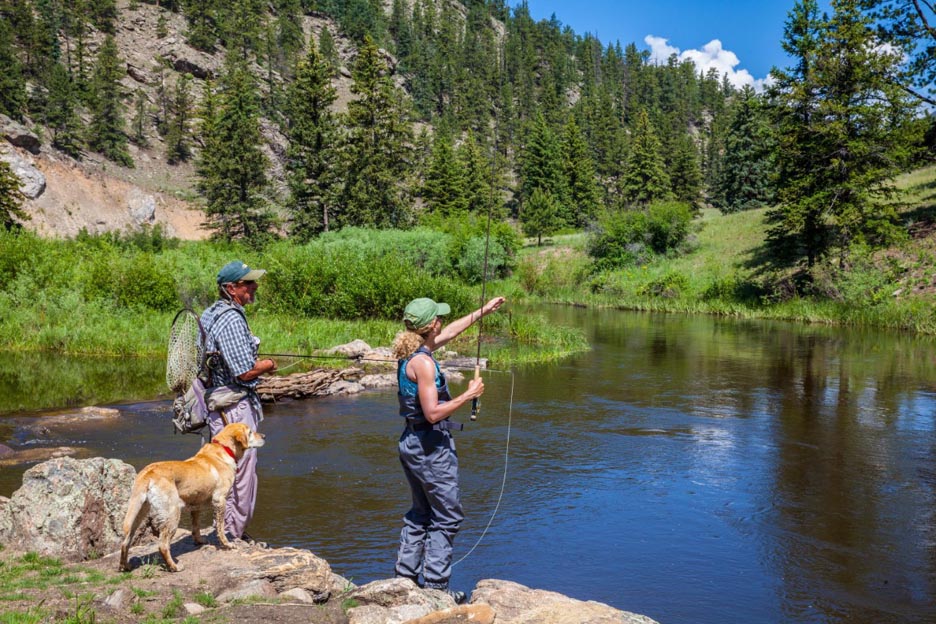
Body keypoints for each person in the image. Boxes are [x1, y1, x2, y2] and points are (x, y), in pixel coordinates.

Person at [392, 295, 506, 603]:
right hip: (430, 446)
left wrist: (483, 311)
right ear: (430, 326)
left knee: (421, 512)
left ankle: (404, 579)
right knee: (447, 518)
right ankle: (436, 589)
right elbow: (432, 413)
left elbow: (453, 330)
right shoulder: (424, 364)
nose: (443, 322)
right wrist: (467, 395)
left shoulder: (410, 352)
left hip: (411, 442)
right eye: (438, 319)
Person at [200, 260, 277, 542]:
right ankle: (232, 533)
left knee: (222, 470)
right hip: (232, 409)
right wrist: (267, 364)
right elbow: (244, 372)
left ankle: (225, 530)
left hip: (218, 407)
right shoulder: (231, 319)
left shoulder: (210, 314)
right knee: (239, 474)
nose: (254, 287)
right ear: (231, 288)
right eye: (248, 284)